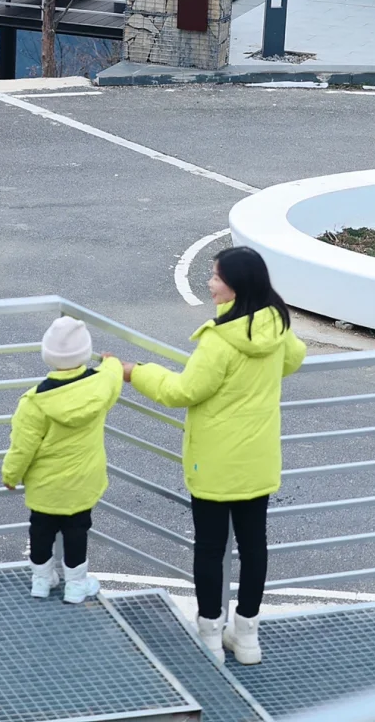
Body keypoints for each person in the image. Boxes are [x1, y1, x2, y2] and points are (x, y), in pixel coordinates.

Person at [122, 246, 306, 665]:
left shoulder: (218, 341)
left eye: (216, 276)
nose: (210, 282)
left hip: (215, 462)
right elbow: (294, 358)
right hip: (257, 458)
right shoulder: (275, 324)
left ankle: (209, 635)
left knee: (209, 548)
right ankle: (246, 638)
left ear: (235, 286)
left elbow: (182, 391)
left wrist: (137, 372)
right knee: (254, 547)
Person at [2, 315, 122, 603]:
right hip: (83, 482)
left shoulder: (35, 402)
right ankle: (76, 586)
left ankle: (41, 581)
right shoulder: (100, 386)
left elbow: (22, 446)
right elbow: (113, 374)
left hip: (45, 486)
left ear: (48, 356)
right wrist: (111, 361)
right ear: (84, 353)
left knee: (40, 530)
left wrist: (11, 475)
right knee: (77, 531)